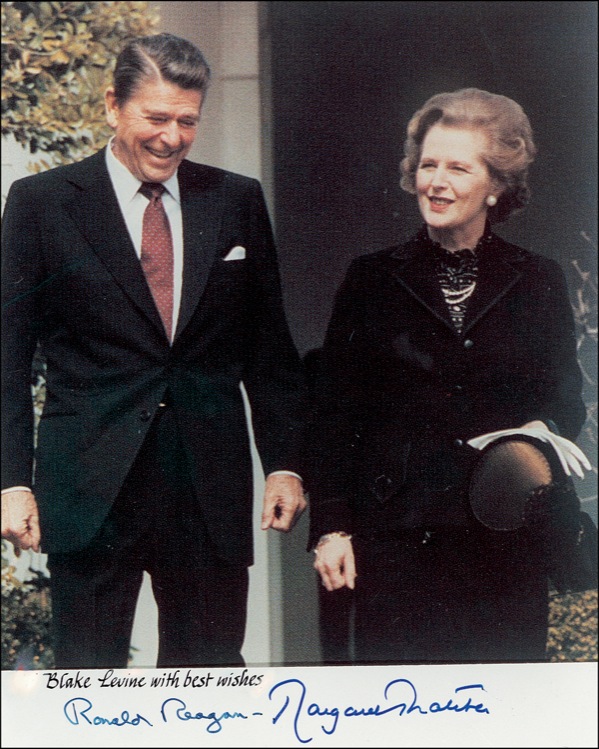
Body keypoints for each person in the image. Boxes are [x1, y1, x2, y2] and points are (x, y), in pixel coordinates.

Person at [1, 33, 307, 669]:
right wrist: (11, 482)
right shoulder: (41, 204)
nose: (172, 138)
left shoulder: (236, 199)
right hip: (89, 489)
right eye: (157, 118)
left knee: (210, 687)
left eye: (188, 121)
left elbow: (270, 352)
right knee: (88, 689)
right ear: (112, 106)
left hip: (207, 492)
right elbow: (7, 358)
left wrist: (284, 464)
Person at [305, 88, 588, 664]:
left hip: (503, 541)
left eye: (458, 168)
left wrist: (540, 432)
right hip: (394, 543)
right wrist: (332, 529)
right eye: (427, 164)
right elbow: (332, 414)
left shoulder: (538, 279)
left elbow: (565, 400)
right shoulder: (370, 279)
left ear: (496, 185)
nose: (435, 182)